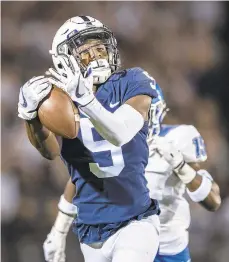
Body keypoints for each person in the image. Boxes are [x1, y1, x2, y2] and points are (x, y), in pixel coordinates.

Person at [18, 16, 160, 262]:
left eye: (100, 48)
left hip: (135, 220)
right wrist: (31, 117)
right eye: (86, 52)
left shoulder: (132, 81)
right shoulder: (61, 99)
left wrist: (87, 100)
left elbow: (120, 133)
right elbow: (52, 153)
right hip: (90, 229)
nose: (97, 56)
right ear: (66, 60)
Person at [42, 84, 221, 262]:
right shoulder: (113, 140)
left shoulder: (179, 137)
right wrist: (58, 232)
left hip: (167, 249)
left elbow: (213, 201)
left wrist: (181, 166)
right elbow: (80, 180)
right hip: (122, 241)